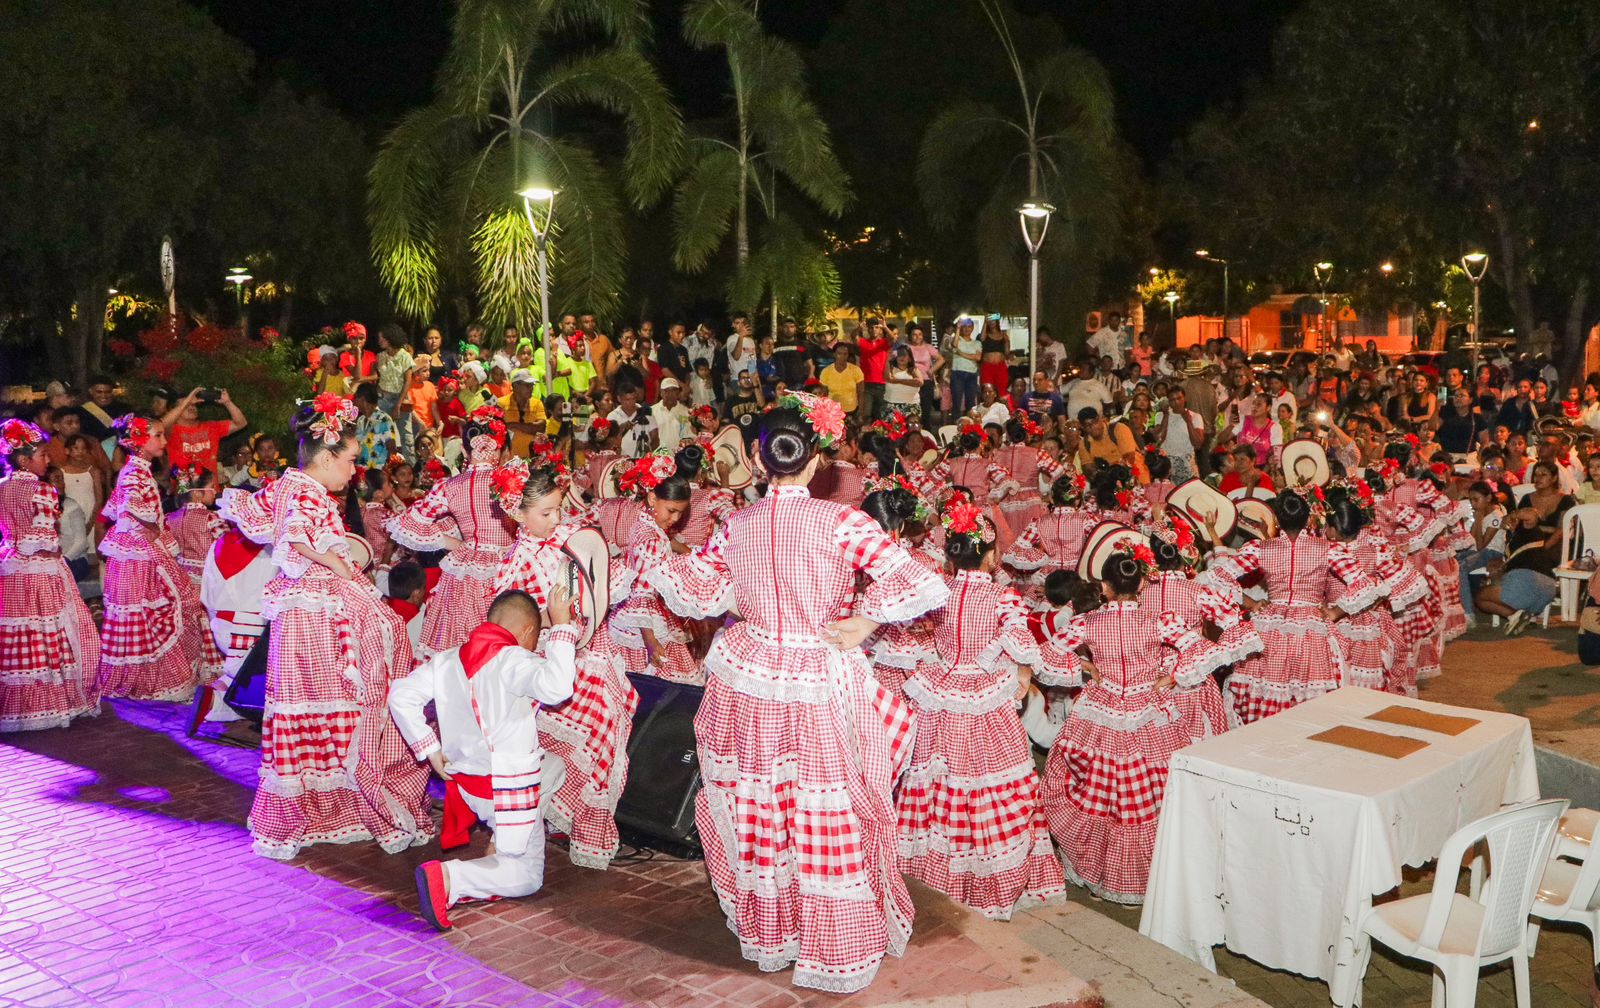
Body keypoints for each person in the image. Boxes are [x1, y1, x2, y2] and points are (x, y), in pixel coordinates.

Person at [645, 392, 950, 993]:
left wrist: (654, 552)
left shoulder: (737, 525)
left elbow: (700, 595)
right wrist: (866, 620)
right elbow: (920, 582)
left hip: (752, 676)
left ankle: (775, 928)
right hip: (816, 676)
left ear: (759, 462)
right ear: (815, 463)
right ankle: (832, 940)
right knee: (824, 806)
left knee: (764, 802)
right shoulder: (843, 522)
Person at [218, 396, 433, 860]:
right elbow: (302, 541)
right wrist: (340, 567)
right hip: (316, 611)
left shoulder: (288, 484)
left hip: (303, 611)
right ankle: (341, 804)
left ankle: (318, 808)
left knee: (314, 705)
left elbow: (281, 527)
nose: (355, 470)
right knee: (345, 695)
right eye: (352, 460)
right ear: (328, 456)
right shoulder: (308, 493)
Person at [895, 496, 1065, 919]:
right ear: (989, 555)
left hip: (940, 697)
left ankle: (938, 879)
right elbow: (1025, 647)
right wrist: (1019, 671)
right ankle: (988, 883)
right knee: (990, 788)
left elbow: (917, 639)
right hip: (984, 700)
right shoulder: (1003, 598)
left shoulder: (937, 592)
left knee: (940, 787)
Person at [1036, 540, 1225, 903]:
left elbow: (1044, 655)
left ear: (1104, 588)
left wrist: (1082, 667)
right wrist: (1175, 676)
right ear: (1142, 585)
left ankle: (1104, 871)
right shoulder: (1159, 621)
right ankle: (1152, 874)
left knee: (1101, 794)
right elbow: (1205, 649)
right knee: (1149, 795)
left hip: (1100, 713)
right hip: (1148, 711)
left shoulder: (1087, 622)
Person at [391, 588, 577, 931]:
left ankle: (501, 838)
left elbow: (400, 696)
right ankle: (451, 877)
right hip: (506, 789)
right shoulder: (513, 659)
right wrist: (563, 626)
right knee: (526, 876)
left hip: (468, 785)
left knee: (553, 767)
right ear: (525, 633)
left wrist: (430, 750)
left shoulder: (447, 659)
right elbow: (558, 688)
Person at [492, 454, 638, 871]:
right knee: (557, 741)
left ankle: (589, 829)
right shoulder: (515, 564)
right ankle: (554, 819)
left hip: (590, 653)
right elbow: (517, 624)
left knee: (604, 738)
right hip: (552, 660)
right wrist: (554, 625)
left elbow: (598, 587)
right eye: (546, 512)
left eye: (559, 508)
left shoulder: (573, 536)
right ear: (516, 514)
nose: (557, 518)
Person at [1203, 489, 1380, 723]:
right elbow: (1365, 585)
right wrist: (1336, 611)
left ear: (1276, 520)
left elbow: (1217, 577)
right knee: (1310, 690)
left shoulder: (1261, 548)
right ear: (1308, 518)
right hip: (1311, 627)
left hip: (1269, 626)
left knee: (1269, 688)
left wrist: (1251, 603)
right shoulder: (1326, 548)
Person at [98, 415, 223, 702]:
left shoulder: (138, 471)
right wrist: (155, 534)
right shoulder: (133, 473)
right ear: (140, 441)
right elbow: (132, 515)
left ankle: (156, 676)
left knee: (161, 612)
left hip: (141, 553)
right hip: (139, 556)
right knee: (156, 613)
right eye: (158, 435)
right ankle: (148, 680)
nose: (164, 442)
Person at [387, 408, 515, 657]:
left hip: (467, 571)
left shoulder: (450, 486)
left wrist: (458, 545)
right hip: (512, 565)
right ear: (500, 448)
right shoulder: (514, 481)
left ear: (466, 451)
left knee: (463, 647)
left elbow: (408, 522)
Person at [0, 420, 101, 732]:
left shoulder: (3, 488)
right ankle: (51, 702)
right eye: (43, 455)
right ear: (23, 460)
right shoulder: (42, 490)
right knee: (50, 633)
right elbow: (47, 541)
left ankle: (19, 705)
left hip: (12, 570)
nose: (47, 460)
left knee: (18, 637)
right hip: (42, 572)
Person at [609, 456, 699, 684]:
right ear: (652, 498)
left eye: (681, 512)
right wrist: (649, 640)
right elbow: (642, 592)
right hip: (643, 624)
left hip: (632, 616)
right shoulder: (652, 539)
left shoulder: (646, 525)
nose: (676, 518)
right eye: (671, 510)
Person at [1474, 460, 1573, 635]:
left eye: (1543, 474)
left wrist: (1541, 543)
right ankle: (1518, 615)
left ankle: (1515, 612)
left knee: (1482, 597)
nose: (1538, 478)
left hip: (1551, 550)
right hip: (1540, 575)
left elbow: (1561, 529)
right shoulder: (1528, 500)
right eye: (1536, 474)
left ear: (1554, 478)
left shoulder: (1564, 500)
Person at [160, 387, 248, 475]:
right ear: (174, 410)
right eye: (187, 405)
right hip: (183, 487)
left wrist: (227, 403)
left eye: (193, 404)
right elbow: (161, 424)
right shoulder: (170, 430)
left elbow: (241, 423)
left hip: (210, 488)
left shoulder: (210, 427)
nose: (191, 407)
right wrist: (187, 402)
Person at [167, 466, 224, 585]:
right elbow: (225, 547)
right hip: (206, 579)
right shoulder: (211, 518)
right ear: (197, 493)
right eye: (211, 488)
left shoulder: (168, 518)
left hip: (178, 579)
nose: (215, 491)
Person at [857, 319, 892, 421]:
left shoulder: (884, 343)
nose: (873, 330)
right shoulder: (863, 342)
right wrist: (858, 328)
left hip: (881, 383)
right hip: (866, 383)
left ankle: (879, 436)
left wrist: (885, 326)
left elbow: (893, 338)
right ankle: (866, 435)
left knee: (880, 414)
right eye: (871, 328)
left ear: (880, 329)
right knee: (866, 414)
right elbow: (854, 337)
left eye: (876, 327)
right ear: (867, 329)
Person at [948, 318, 982, 419]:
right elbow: (954, 345)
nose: (967, 329)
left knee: (970, 402)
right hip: (958, 373)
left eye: (969, 326)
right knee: (957, 402)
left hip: (971, 374)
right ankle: (955, 426)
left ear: (972, 328)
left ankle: (969, 427)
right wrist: (958, 328)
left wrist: (960, 353)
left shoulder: (977, 343)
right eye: (965, 326)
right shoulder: (957, 339)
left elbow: (977, 357)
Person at [819, 343, 864, 416]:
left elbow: (861, 393)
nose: (842, 356)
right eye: (839, 353)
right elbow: (824, 395)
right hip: (832, 412)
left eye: (845, 354)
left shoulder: (856, 370)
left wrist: (861, 412)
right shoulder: (826, 371)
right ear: (834, 354)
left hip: (852, 411)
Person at [884, 345, 922, 420]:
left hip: (912, 406)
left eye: (904, 355)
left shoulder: (913, 370)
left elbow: (920, 382)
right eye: (899, 355)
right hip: (892, 406)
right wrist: (887, 360)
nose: (902, 357)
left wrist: (898, 380)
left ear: (910, 358)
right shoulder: (891, 368)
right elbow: (888, 379)